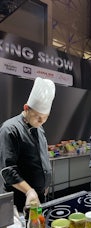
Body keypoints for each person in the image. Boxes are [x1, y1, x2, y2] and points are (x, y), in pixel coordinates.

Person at [0, 77, 56, 212]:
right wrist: (29, 191)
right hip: (21, 198)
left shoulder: (39, 127)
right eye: (38, 116)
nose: (42, 121)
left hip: (39, 195)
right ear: (26, 108)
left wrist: (44, 183)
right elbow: (7, 170)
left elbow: (42, 156)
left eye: (45, 117)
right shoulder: (10, 129)